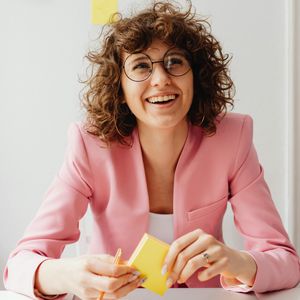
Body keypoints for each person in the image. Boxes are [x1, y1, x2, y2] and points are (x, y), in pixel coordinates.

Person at [3, 1, 300, 299]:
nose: (160, 80)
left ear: (196, 75)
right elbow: (19, 266)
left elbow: (286, 261)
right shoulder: (89, 145)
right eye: (141, 66)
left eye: (175, 62)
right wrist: (66, 275)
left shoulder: (232, 138)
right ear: (119, 87)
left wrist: (240, 262)